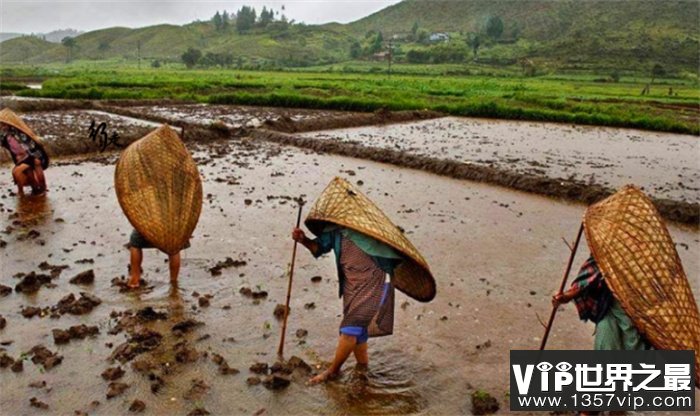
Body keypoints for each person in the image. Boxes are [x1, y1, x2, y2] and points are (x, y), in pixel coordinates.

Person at [292, 224, 403, 384]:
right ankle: (363, 370)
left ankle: (333, 371)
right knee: (358, 334)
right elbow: (318, 247)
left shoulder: (371, 230)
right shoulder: (336, 231)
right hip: (352, 286)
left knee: (350, 330)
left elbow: (394, 255)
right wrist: (303, 240)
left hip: (375, 284)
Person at [552, 255, 651, 351]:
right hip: (609, 308)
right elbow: (590, 275)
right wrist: (567, 296)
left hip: (639, 315)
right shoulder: (607, 253)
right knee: (605, 335)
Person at [0, 124, 47, 195]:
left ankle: (34, 189)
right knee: (27, 171)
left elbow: (27, 145)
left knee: (17, 172)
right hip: (25, 157)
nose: (2, 126)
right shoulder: (7, 134)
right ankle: (36, 188)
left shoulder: (17, 132)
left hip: (29, 156)